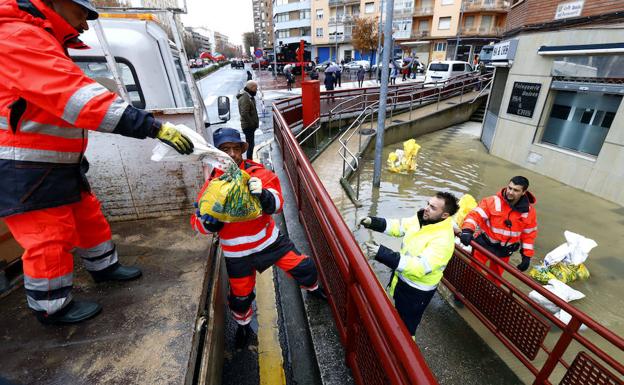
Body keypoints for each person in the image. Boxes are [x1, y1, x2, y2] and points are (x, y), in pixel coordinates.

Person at [0, 0, 194, 324]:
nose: (86, 25)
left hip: (53, 160)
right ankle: (52, 307)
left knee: (88, 216)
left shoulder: (37, 37)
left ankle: (104, 266)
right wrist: (152, 126)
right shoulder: (19, 37)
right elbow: (79, 98)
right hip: (26, 166)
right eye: (82, 13)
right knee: (49, 235)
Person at [191, 128, 326, 348]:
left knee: (305, 268)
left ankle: (313, 289)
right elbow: (197, 222)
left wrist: (263, 194)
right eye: (226, 150)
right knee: (241, 297)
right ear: (217, 155)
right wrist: (208, 223)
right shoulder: (211, 187)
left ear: (243, 151)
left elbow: (278, 203)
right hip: (238, 255)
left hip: (270, 243)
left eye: (236, 148)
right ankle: (244, 326)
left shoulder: (257, 173)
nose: (232, 154)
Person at [360, 192, 459, 335]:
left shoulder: (443, 240)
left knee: (406, 330)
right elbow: (399, 226)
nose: (426, 208)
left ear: (445, 215)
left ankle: (400, 356)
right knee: (395, 317)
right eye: (428, 204)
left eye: (432, 207)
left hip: (416, 291)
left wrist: (382, 253)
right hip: (401, 278)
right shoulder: (422, 219)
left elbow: (419, 267)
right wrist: (372, 222)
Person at [459, 176, 538, 281]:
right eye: (509, 188)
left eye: (515, 190)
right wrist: (467, 231)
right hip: (484, 245)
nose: (510, 192)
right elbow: (475, 216)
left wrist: (526, 256)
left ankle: (487, 295)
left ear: (524, 192)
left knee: (495, 279)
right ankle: (461, 295)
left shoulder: (529, 212)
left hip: (504, 251)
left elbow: (528, 235)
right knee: (473, 271)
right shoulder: (492, 201)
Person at [236, 80, 259, 160]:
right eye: (255, 88)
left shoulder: (248, 96)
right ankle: (249, 161)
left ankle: (250, 160)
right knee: (250, 145)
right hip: (248, 126)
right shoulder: (245, 97)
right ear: (251, 87)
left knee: (251, 144)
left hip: (249, 126)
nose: (256, 90)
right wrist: (252, 124)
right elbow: (244, 113)